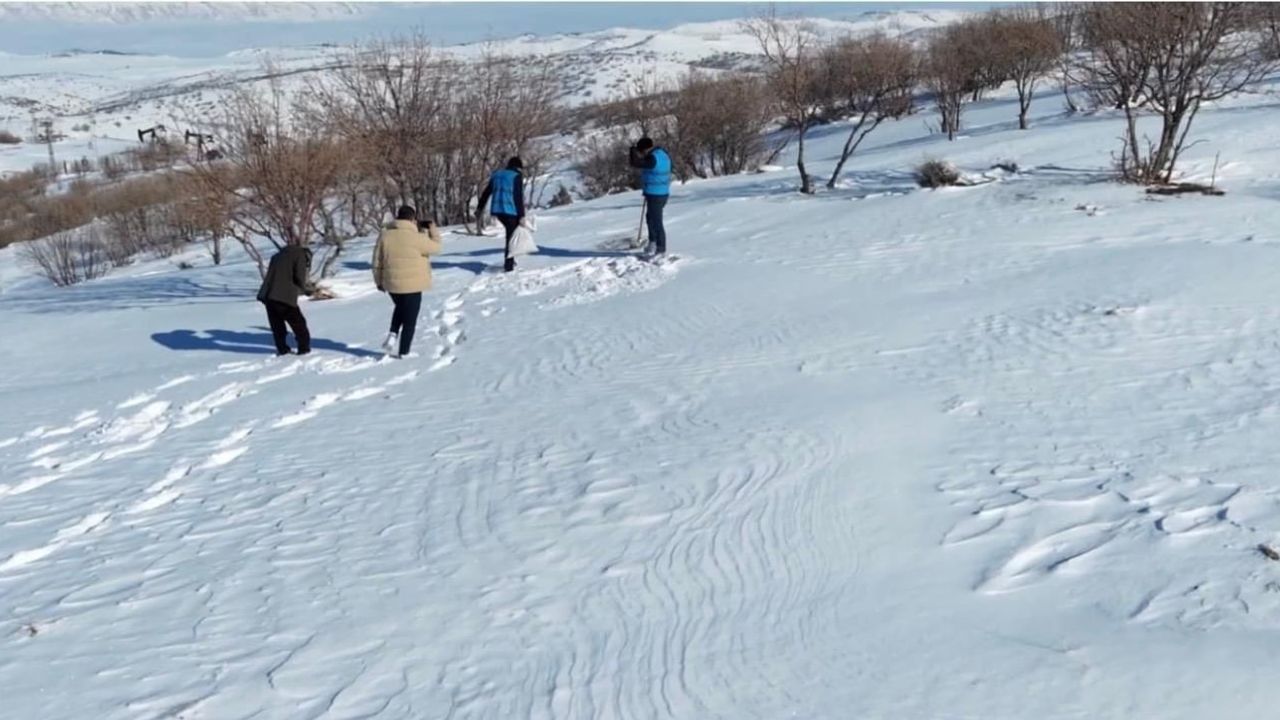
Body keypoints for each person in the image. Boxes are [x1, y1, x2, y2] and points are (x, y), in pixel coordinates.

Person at [372, 205, 442, 358]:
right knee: (410, 320)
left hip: (391, 284)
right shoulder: (417, 238)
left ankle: (393, 333)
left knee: (400, 307)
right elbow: (436, 247)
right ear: (413, 219)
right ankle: (404, 353)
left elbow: (377, 261)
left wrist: (378, 281)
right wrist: (432, 228)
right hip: (413, 285)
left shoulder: (385, 235)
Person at [256, 244, 314, 356]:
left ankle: (282, 349)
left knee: (277, 326)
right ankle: (304, 350)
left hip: (268, 296)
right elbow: (300, 278)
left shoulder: (277, 256)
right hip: (284, 297)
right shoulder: (300, 255)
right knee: (299, 324)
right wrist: (309, 289)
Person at [476, 156, 525, 272]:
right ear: (518, 167)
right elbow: (517, 197)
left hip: (497, 210)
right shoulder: (516, 176)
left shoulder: (496, 175)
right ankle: (509, 265)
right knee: (511, 237)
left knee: (511, 236)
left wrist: (480, 208)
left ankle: (510, 261)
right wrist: (522, 215)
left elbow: (486, 192)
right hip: (511, 211)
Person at [629, 136, 672, 257]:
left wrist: (632, 150)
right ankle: (653, 242)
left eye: (641, 151)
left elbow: (635, 163)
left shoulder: (653, 158)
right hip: (661, 192)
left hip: (656, 194)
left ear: (645, 149)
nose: (641, 153)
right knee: (650, 218)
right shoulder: (662, 154)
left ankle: (660, 249)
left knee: (656, 222)